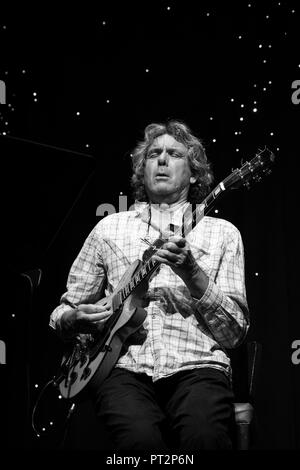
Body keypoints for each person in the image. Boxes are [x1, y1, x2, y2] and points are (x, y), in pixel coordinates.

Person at [50, 120, 249, 452]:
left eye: (174, 153)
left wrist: (192, 273)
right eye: (154, 154)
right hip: (123, 368)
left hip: (198, 366)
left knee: (204, 438)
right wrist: (73, 319)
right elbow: (64, 311)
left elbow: (235, 333)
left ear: (195, 173)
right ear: (141, 171)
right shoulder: (108, 230)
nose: (162, 160)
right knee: (138, 443)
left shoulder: (223, 234)